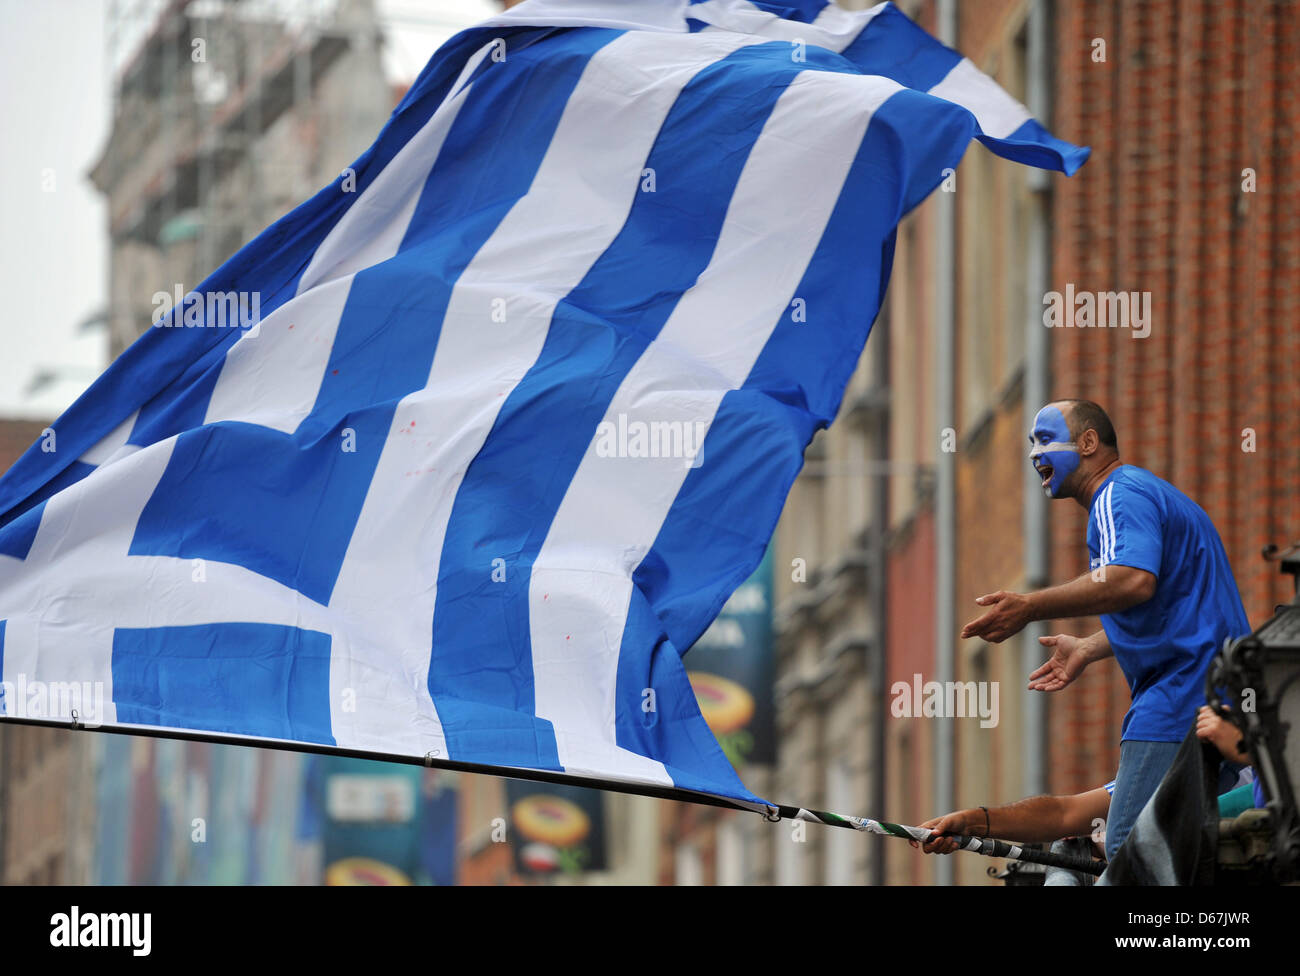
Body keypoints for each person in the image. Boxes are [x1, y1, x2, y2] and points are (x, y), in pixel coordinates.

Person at [959, 399, 1251, 860]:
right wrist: (1091, 646)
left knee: (1129, 846)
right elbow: (1178, 610)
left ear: (1089, 442)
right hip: (1205, 689)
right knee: (1162, 846)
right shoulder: (1143, 492)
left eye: (1044, 439)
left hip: (1180, 692)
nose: (1034, 454)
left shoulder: (1117, 494)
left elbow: (1133, 579)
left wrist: (1029, 606)